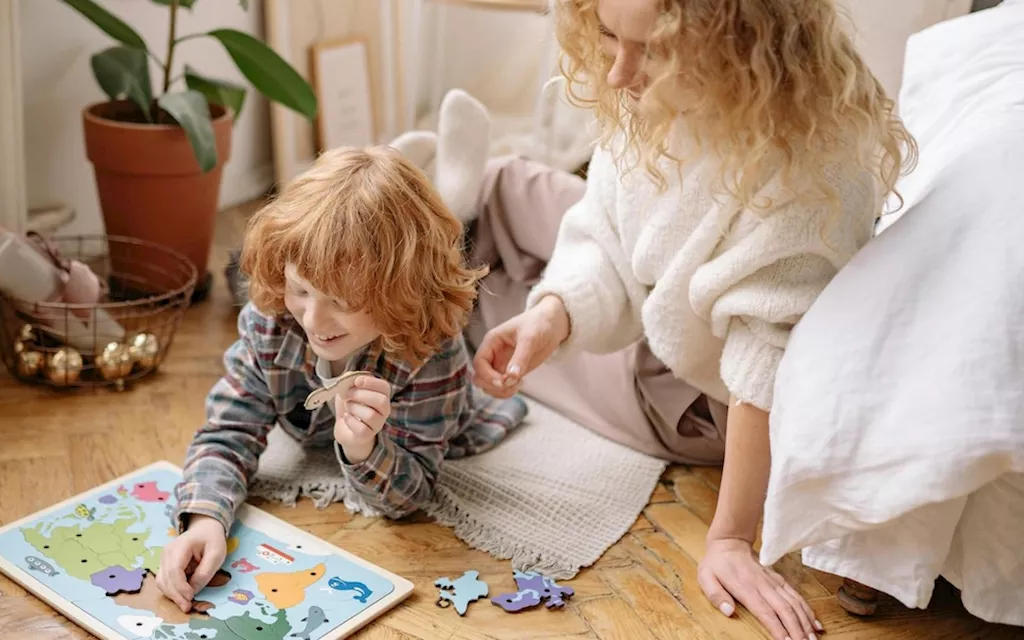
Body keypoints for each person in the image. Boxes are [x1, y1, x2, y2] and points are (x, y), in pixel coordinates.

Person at [446, 1, 917, 639]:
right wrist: (554, 315)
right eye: (610, 37)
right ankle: (449, 207)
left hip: (701, 394)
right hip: (661, 295)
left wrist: (729, 539)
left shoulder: (808, 170)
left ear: (743, 44)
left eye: (655, 50)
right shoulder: (652, 95)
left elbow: (762, 367)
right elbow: (606, 227)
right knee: (509, 187)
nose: (618, 73)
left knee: (481, 308)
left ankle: (436, 240)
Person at [156, 145, 529, 612]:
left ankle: (455, 180)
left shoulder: (430, 351)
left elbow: (409, 494)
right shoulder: (270, 321)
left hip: (430, 425)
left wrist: (363, 449)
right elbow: (228, 429)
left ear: (400, 294)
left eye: (343, 301)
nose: (314, 319)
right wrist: (204, 517)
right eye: (301, 290)